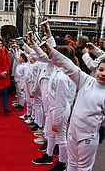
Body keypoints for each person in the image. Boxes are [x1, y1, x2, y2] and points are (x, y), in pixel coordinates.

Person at [44, 42, 105, 171]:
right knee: (71, 163)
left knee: (83, 168)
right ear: (96, 69)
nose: (103, 74)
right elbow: (69, 66)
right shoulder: (86, 80)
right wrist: (51, 52)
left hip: (88, 138)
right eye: (101, 69)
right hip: (73, 132)